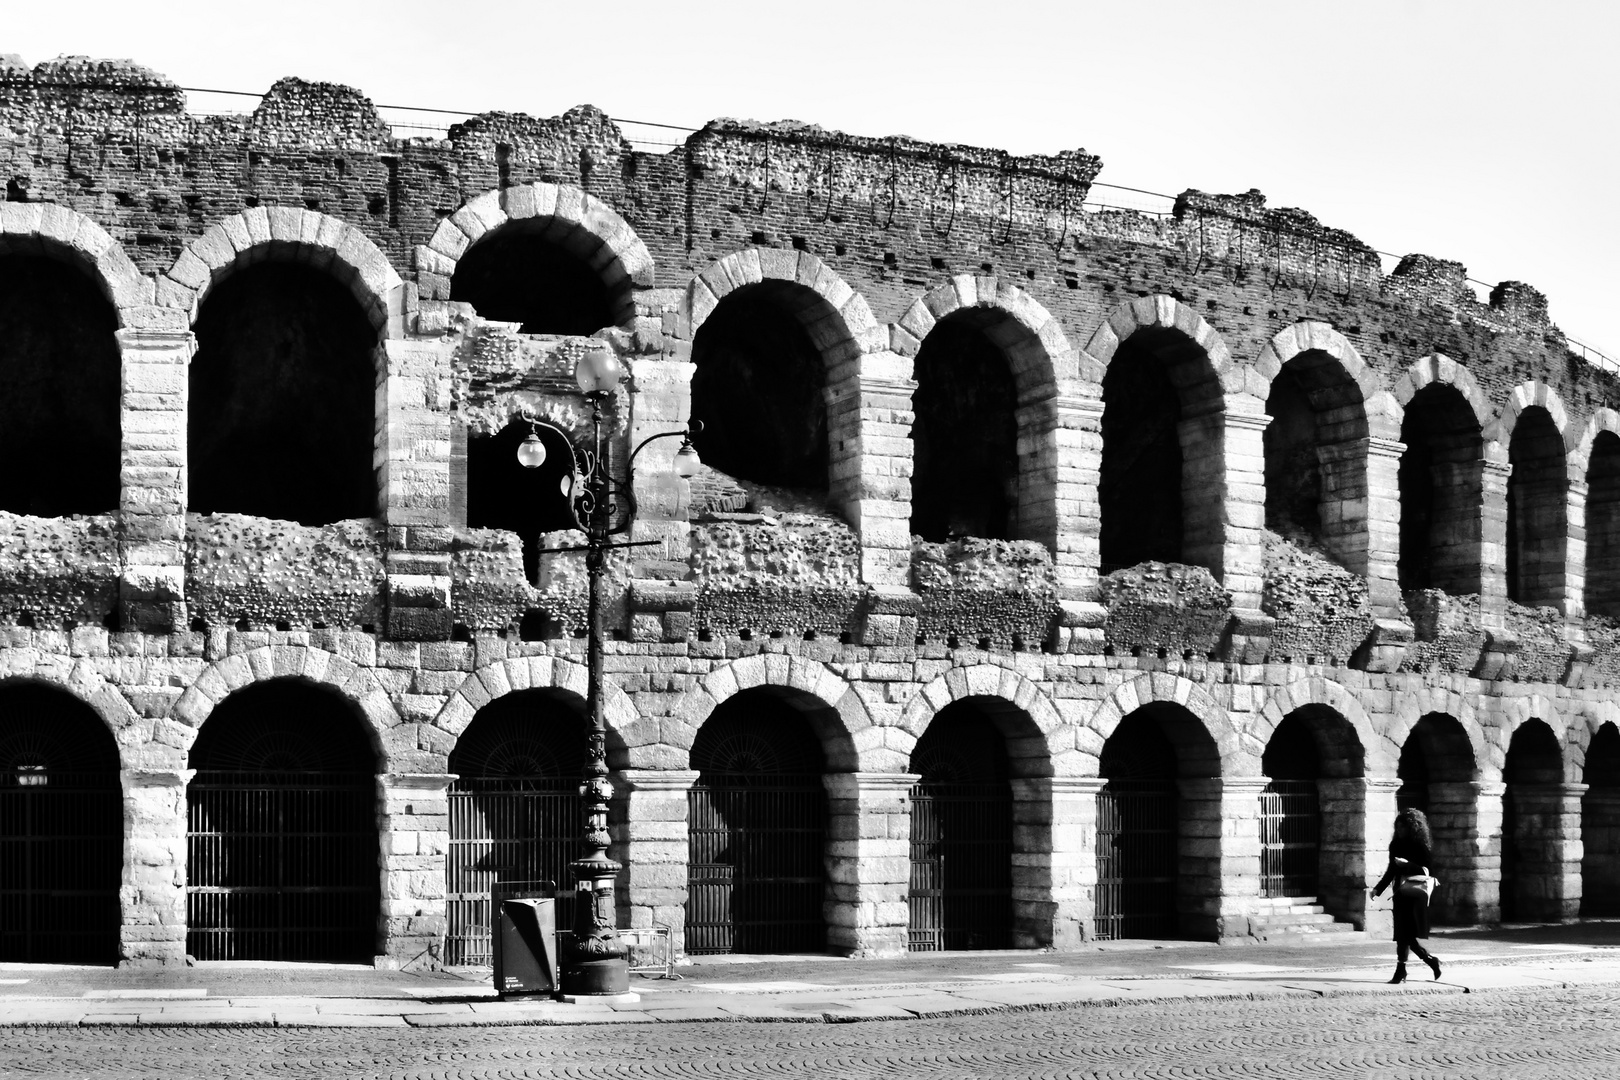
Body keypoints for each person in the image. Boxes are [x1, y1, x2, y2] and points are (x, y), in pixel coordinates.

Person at [1371, 807, 1442, 983]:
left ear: (1412, 828)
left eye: (1403, 827)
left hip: (1416, 893)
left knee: (1405, 934)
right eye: (1397, 827)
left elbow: (1428, 870)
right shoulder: (1395, 845)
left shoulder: (1420, 846)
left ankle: (1404, 970)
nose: (1399, 830)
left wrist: (1408, 865)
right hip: (1400, 892)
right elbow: (1391, 870)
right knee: (1403, 934)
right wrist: (1378, 889)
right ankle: (1426, 962)